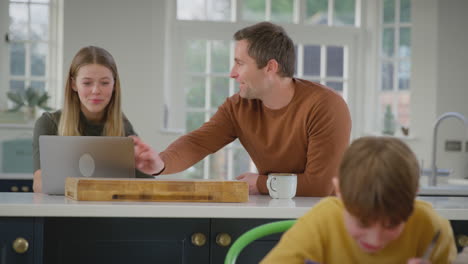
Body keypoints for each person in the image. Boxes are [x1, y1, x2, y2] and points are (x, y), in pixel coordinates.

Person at [132, 21, 351, 196]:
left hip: (319, 218)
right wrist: (160, 164)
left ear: (270, 67)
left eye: (240, 63)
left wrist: (260, 182)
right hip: (271, 210)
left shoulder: (326, 106)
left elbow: (319, 186)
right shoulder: (238, 106)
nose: (232, 73)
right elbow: (197, 143)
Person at [261, 136, 457, 264]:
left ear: (414, 199)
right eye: (363, 222)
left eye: (392, 224)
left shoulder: (432, 228)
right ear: (339, 192)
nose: (375, 239)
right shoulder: (322, 221)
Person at [32, 46, 150, 193]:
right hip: (62, 213)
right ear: (74, 84)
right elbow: (39, 185)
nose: (96, 90)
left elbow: (146, 184)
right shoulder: (48, 123)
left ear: (114, 85)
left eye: (105, 83)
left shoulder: (123, 126)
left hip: (109, 213)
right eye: (87, 83)